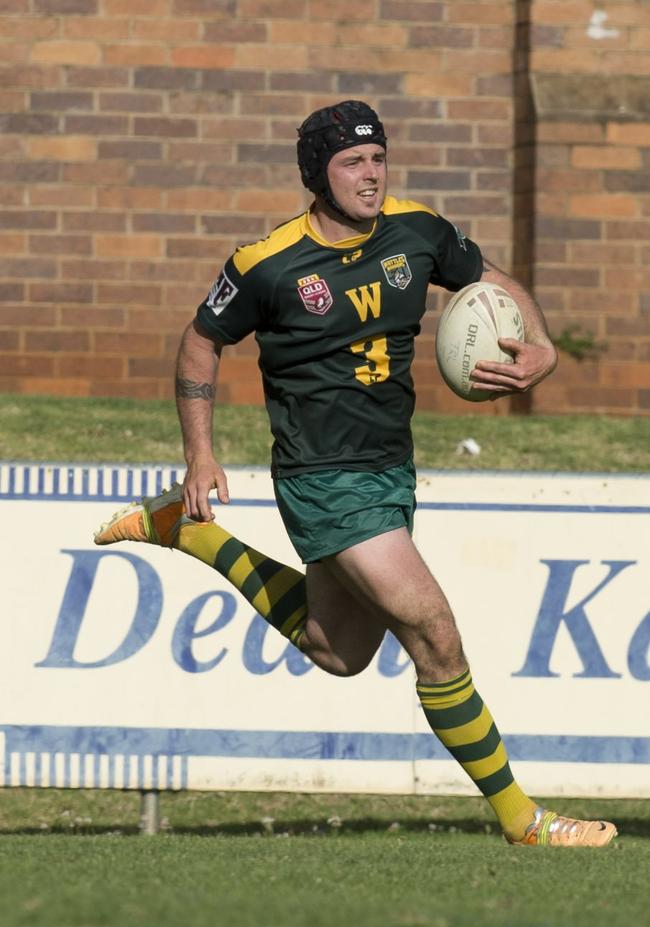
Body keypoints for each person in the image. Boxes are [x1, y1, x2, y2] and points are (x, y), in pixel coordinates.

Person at [96, 100, 616, 848]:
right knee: (435, 632)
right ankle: (523, 820)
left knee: (337, 652)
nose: (371, 176)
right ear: (317, 174)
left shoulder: (418, 230)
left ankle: (190, 536)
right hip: (322, 475)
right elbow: (200, 343)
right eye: (352, 164)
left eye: (378, 159)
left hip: (389, 471)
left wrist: (540, 344)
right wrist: (199, 455)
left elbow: (495, 279)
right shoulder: (267, 263)